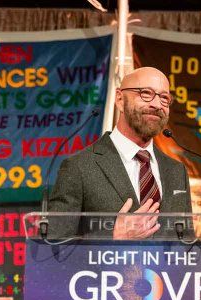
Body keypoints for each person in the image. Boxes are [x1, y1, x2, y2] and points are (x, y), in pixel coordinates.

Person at [49, 67, 193, 239]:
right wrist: (113, 236)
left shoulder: (177, 171)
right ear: (119, 99)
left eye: (164, 98)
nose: (156, 105)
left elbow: (187, 243)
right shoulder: (79, 167)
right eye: (145, 93)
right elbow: (54, 243)